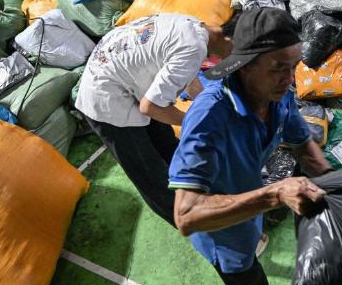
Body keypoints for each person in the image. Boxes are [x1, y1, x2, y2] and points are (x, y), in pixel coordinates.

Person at [168, 8, 333, 285]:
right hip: (225, 235)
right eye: (278, 68)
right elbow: (186, 215)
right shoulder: (209, 116)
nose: (289, 79)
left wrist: (341, 187)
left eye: (293, 67)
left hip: (249, 206)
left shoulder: (277, 94)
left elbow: (304, 147)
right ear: (245, 66)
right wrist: (274, 194)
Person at [75, 14, 233, 227]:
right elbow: (150, 107)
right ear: (230, 39)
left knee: (169, 148)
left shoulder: (193, 27)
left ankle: (213, 201)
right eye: (237, 54)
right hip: (106, 101)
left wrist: (211, 111)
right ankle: (207, 230)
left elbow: (188, 76)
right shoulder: (194, 47)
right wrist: (193, 121)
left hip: (128, 84)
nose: (231, 60)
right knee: (152, 176)